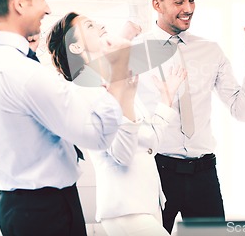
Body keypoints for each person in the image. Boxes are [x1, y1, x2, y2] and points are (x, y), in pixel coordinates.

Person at [0, 0, 135, 236]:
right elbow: (99, 135)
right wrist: (119, 72)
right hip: (49, 212)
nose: (48, 8)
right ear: (19, 3)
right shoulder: (25, 73)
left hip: (12, 208)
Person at [133, 0, 245, 233]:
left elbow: (242, 110)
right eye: (179, 1)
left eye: (192, 0)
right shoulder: (136, 50)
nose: (188, 8)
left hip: (204, 172)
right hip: (158, 170)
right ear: (156, 5)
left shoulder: (210, 50)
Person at [46, 12, 187, 236]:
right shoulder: (85, 90)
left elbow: (150, 143)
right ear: (75, 48)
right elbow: (122, 154)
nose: (101, 24)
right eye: (90, 26)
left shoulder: (116, 81)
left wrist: (166, 100)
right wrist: (126, 100)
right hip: (126, 211)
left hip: (147, 205)